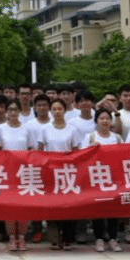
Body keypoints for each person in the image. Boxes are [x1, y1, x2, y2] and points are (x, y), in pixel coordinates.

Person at [0, 100, 35, 251]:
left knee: (24, 206)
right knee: (9, 206)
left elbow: (32, 151)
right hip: (7, 173)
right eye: (10, 110)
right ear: (6, 112)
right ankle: (12, 237)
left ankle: (22, 237)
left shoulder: (27, 129)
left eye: (15, 109)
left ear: (19, 111)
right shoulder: (1, 129)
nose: (13, 112)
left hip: (24, 173)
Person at [41, 99, 78, 250]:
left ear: (65, 111)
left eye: (60, 109)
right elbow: (39, 150)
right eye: (54, 109)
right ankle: (54, 238)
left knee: (69, 206)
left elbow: (76, 150)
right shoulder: (45, 129)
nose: (57, 112)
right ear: (50, 111)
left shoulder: (72, 129)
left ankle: (68, 238)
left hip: (68, 172)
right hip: (50, 172)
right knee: (52, 205)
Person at [87, 107, 124, 252]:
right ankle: (99, 238)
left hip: (114, 178)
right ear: (96, 121)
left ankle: (113, 238)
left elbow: (125, 155)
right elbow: (81, 155)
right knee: (98, 209)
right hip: (97, 178)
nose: (104, 121)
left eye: (107, 118)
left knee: (113, 209)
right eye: (101, 118)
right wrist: (91, 148)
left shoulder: (117, 138)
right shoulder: (90, 137)